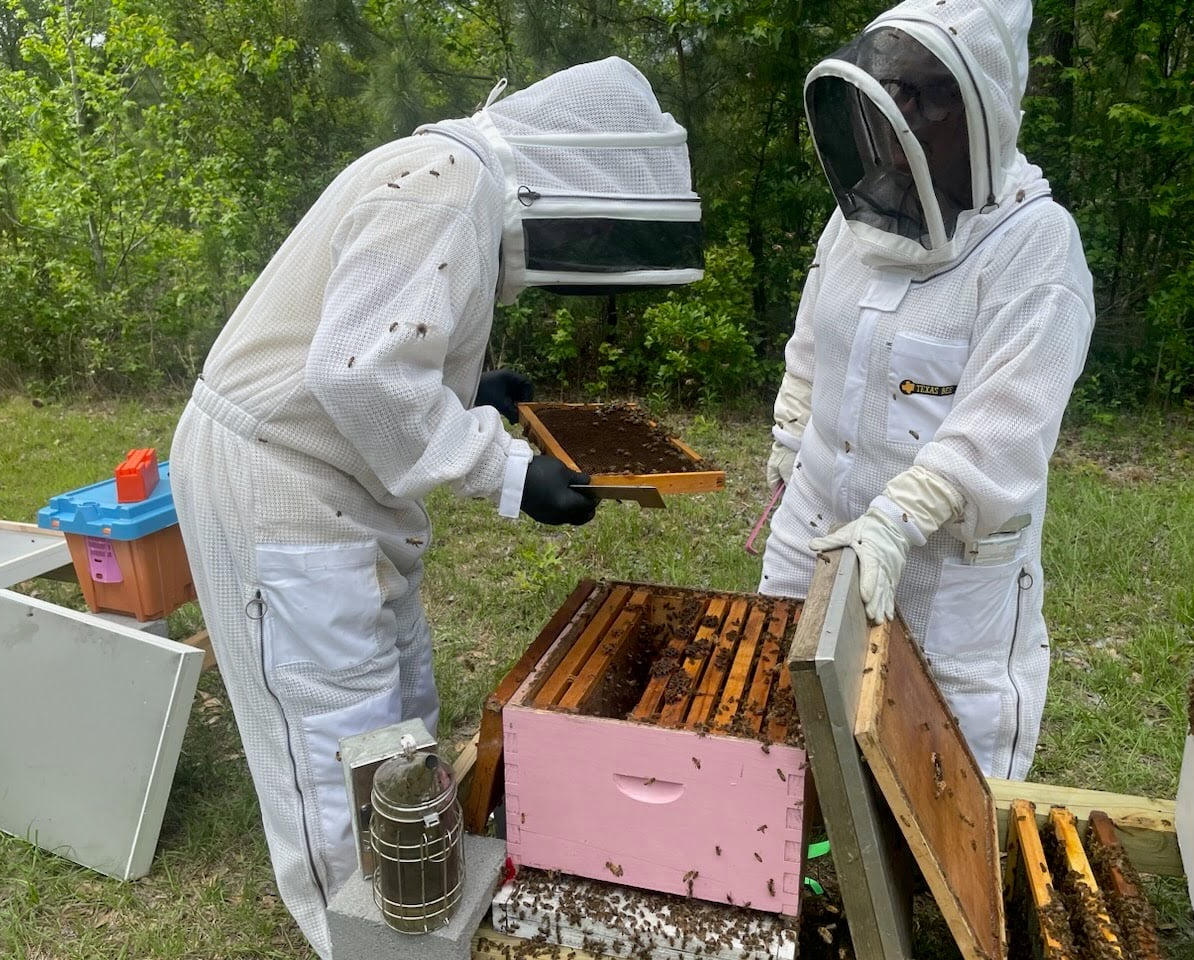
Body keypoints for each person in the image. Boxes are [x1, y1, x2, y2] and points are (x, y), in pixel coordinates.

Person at [169, 57, 702, 958]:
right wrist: (508, 472)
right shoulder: (445, 190)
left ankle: (414, 907)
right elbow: (357, 373)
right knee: (336, 734)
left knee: (396, 700)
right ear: (569, 172)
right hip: (280, 484)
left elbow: (370, 341)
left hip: (330, 475)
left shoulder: (457, 183)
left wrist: (468, 389)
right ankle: (364, 938)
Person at [760, 0, 1094, 781]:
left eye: (931, 93)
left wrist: (892, 525)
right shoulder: (858, 215)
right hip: (811, 533)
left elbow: (1003, 427)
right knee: (784, 758)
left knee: (935, 794)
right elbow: (813, 344)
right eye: (894, 86)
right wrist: (788, 439)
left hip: (940, 574)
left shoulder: (1036, 249)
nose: (901, 109)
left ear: (986, 115)